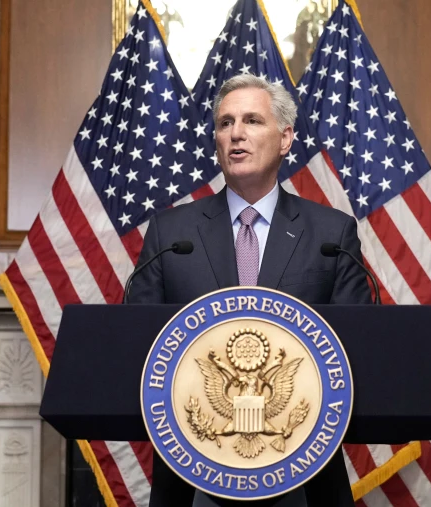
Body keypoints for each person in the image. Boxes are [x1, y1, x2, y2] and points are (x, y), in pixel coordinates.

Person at [130, 75, 371, 507]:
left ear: (284, 139)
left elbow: (355, 356)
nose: (235, 133)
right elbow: (138, 349)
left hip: (304, 476)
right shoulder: (171, 233)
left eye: (252, 120)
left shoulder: (331, 233)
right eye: (225, 123)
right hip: (192, 477)